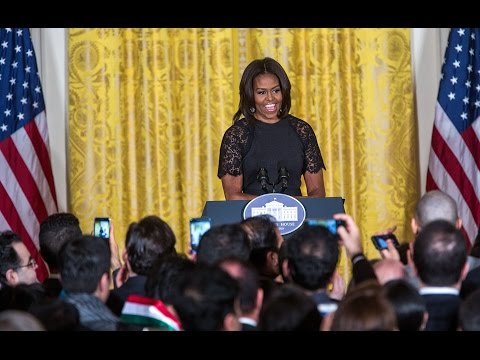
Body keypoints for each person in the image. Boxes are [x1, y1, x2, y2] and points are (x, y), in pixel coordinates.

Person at [218, 57, 326, 199]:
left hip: (298, 216)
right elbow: (233, 196)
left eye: (275, 90)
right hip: (251, 218)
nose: (270, 98)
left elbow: (317, 192)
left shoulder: (302, 131)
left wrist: (289, 207)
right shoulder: (236, 135)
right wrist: (275, 204)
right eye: (261, 92)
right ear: (250, 95)